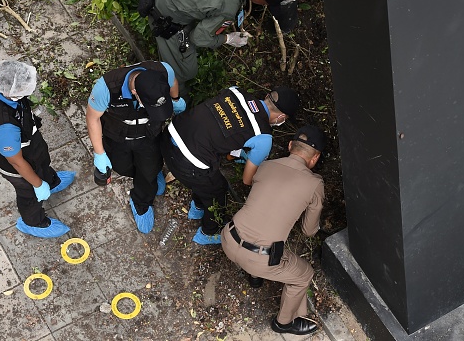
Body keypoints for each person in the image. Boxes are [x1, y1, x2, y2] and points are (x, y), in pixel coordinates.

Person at [160, 85, 300, 245]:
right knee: (218, 189)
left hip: (168, 136)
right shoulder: (263, 136)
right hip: (185, 164)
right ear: (281, 117)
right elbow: (247, 179)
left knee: (207, 177)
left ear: (268, 96)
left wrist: (237, 151)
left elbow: (222, 123)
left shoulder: (236, 91)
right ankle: (208, 233)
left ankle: (197, 207)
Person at [221, 125, 325, 336]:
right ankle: (284, 323)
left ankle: (254, 278)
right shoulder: (314, 183)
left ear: (290, 146)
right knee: (304, 274)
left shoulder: (266, 165)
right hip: (259, 259)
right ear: (314, 159)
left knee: (258, 229)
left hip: (228, 238)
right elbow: (308, 230)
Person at [147, 0, 299, 95]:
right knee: (186, 71)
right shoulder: (227, 6)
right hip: (165, 13)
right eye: (266, 3)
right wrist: (229, 39)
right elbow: (198, 38)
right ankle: (174, 99)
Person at [86, 61, 186, 234]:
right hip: (118, 137)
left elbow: (173, 82)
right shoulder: (107, 87)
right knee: (122, 167)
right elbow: (92, 118)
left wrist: (176, 100)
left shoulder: (164, 70)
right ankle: (144, 176)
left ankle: (141, 201)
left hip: (149, 135)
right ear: (134, 93)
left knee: (149, 168)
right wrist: (99, 153)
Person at [0, 60, 75, 238]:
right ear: (10, 93)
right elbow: (16, 162)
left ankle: (52, 181)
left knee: (42, 164)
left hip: (31, 145)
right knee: (28, 194)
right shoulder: (4, 127)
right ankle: (33, 222)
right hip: (18, 166)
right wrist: (38, 185)